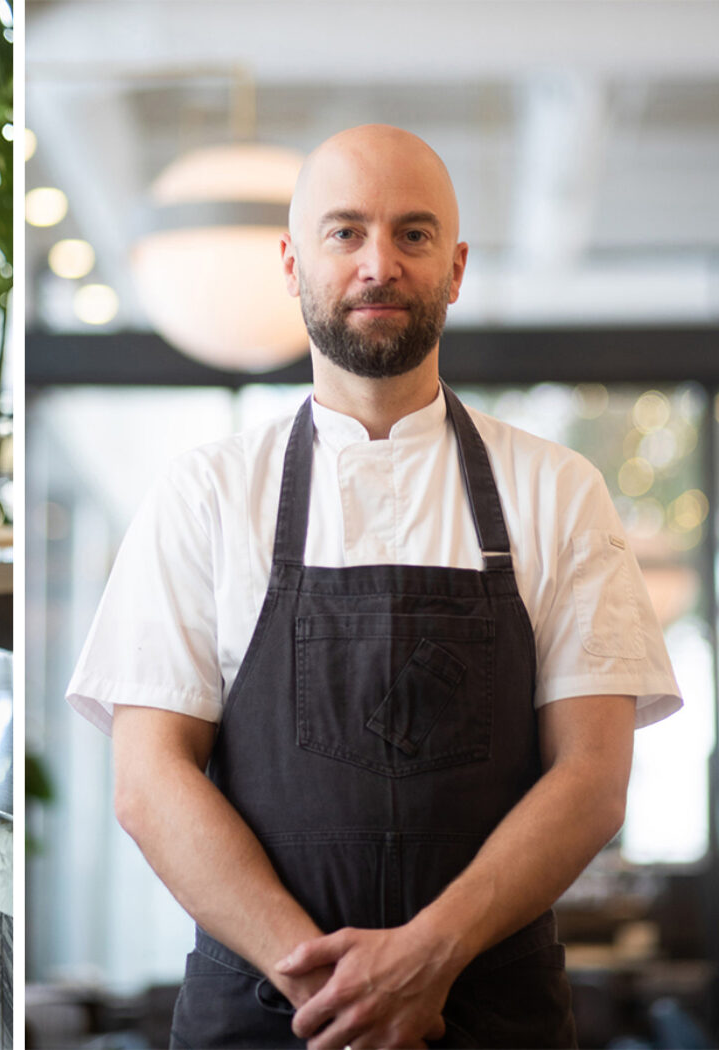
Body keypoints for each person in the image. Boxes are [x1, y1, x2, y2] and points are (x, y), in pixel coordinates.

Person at [66, 124, 683, 1049]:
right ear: (291, 262)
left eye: (414, 235)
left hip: (485, 1013)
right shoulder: (207, 493)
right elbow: (150, 780)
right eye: (344, 232)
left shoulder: (556, 491)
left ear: (457, 267)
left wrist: (429, 957)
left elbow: (592, 778)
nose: (378, 264)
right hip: (267, 1015)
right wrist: (332, 988)